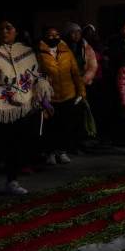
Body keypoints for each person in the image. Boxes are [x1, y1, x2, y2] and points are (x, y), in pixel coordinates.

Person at [0, 19, 53, 203]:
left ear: (16, 31)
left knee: (17, 147)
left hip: (23, 108)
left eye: (9, 27)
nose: (4, 31)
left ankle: (12, 181)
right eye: (0, 28)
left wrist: (45, 101)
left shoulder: (26, 52)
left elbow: (36, 76)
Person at [37, 27, 87, 165]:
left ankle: (62, 151)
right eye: (50, 35)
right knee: (51, 126)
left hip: (68, 94)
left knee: (65, 125)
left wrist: (81, 91)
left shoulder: (67, 51)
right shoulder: (40, 53)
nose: (54, 37)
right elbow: (37, 75)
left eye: (57, 34)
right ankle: (50, 152)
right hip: (50, 96)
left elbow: (76, 73)